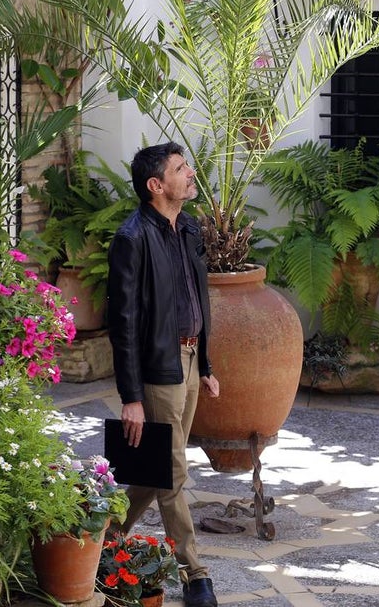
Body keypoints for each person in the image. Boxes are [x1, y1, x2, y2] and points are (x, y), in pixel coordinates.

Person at [107, 142, 221, 607]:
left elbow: (197, 299)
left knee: (156, 470)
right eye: (179, 169)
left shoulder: (188, 227)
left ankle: (103, 535)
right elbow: (124, 322)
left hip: (190, 363)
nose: (190, 172)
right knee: (173, 470)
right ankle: (195, 575)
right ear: (156, 186)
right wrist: (131, 396)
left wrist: (207, 364)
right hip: (158, 371)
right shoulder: (132, 238)